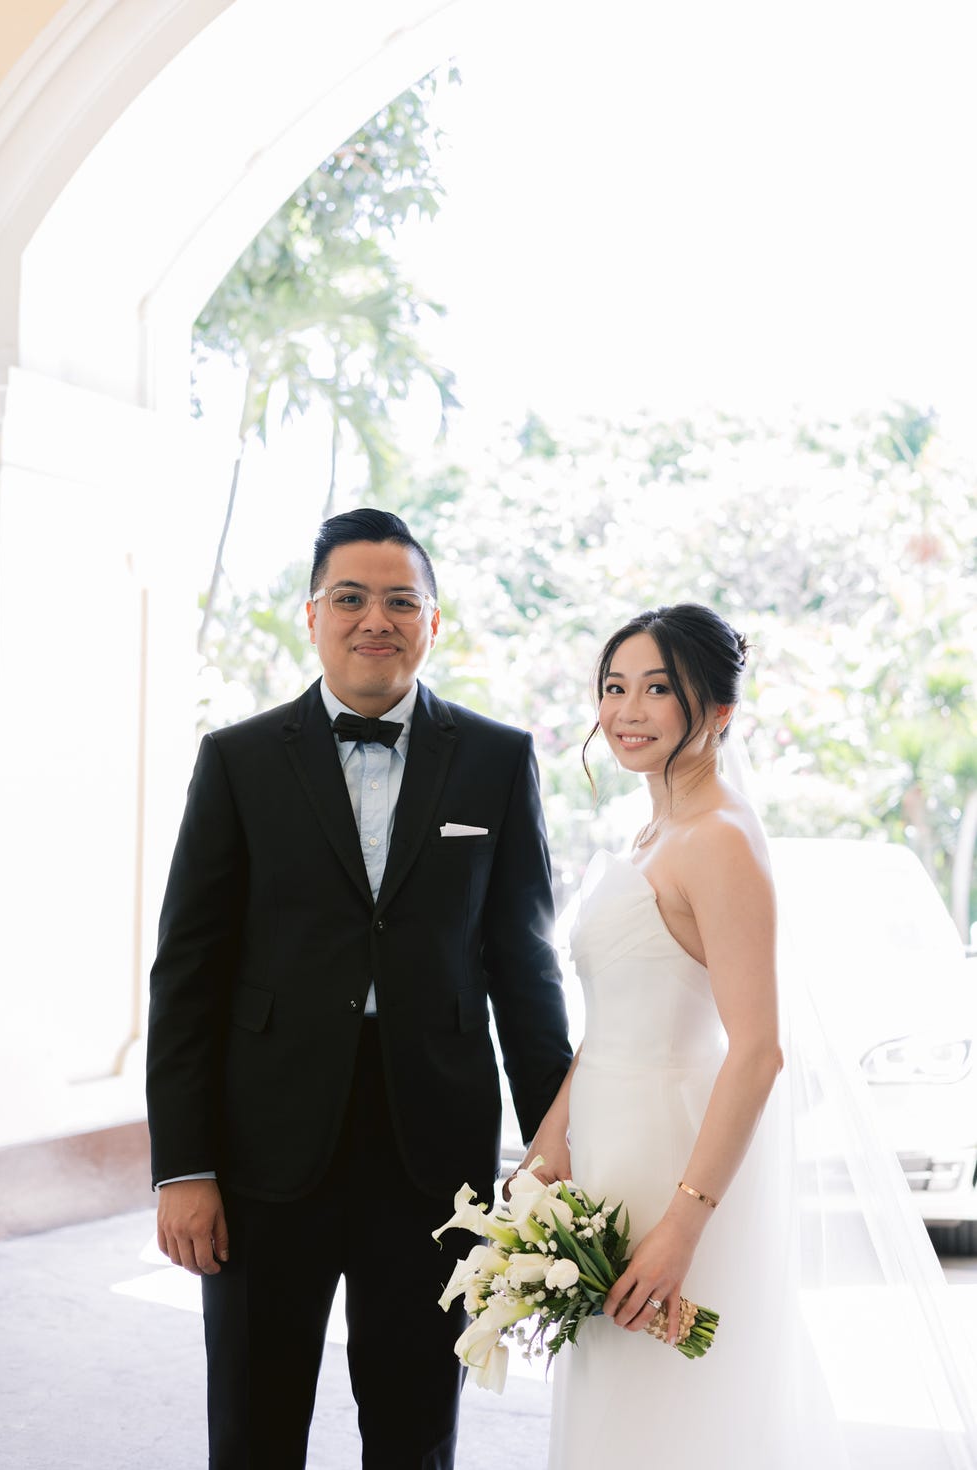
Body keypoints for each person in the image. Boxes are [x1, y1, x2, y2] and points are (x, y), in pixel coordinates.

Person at [146, 507, 573, 1470]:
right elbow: (187, 978)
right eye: (350, 598)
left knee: (416, 1427)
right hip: (264, 1150)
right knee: (254, 1425)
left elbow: (525, 967)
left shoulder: (499, 760)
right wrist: (184, 1167)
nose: (374, 618)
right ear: (311, 615)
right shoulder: (239, 760)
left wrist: (555, 1150)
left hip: (436, 1151)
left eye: (399, 600)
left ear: (434, 621)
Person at [524, 603, 977, 1468]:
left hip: (675, 1164)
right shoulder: (652, 829)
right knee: (619, 1406)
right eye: (614, 688)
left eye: (658, 689)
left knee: (680, 1416)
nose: (626, 710)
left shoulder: (720, 839)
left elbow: (761, 1050)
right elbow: (608, 1027)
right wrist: (546, 1156)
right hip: (610, 1155)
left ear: (719, 711)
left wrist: (681, 1227)